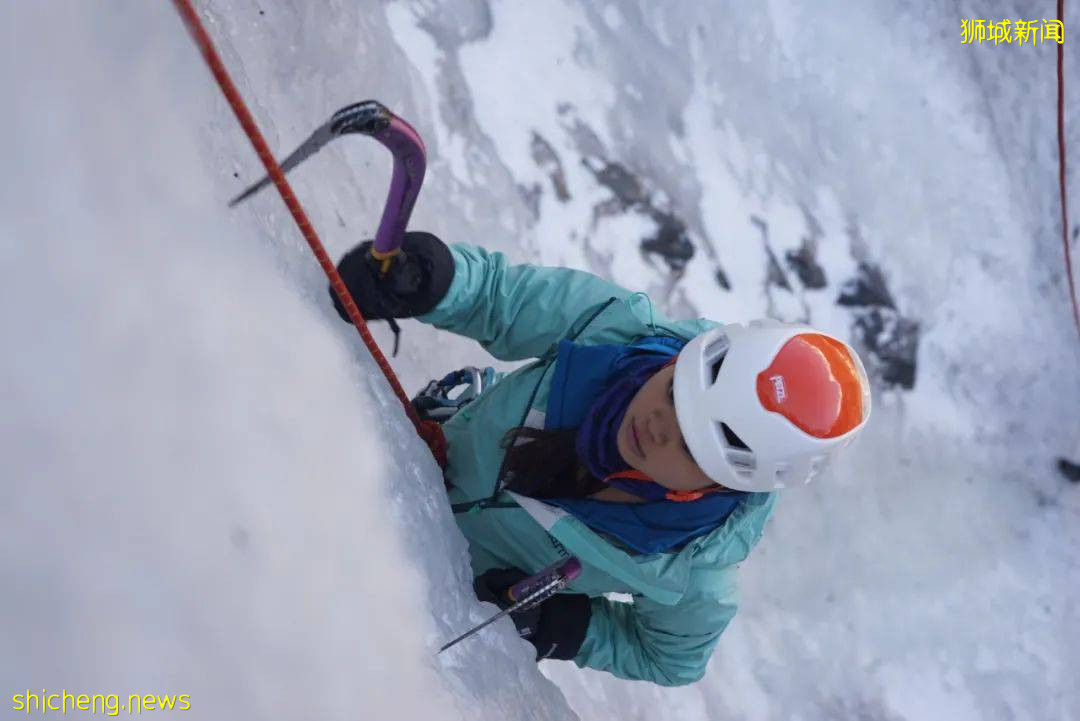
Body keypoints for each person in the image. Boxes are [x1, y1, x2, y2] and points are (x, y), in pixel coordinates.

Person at [330, 232, 871, 686]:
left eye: (688, 444)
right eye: (673, 391)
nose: (656, 424)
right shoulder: (614, 333)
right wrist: (432, 280)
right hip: (437, 455)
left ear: (719, 484)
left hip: (451, 569)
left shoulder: (690, 573)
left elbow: (670, 661)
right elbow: (504, 298)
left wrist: (566, 626)